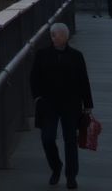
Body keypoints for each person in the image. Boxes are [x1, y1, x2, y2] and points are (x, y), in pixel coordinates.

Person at [30, 22, 93, 189]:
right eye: (56, 36)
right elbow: (34, 78)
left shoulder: (76, 56)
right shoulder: (42, 55)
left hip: (71, 104)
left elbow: (83, 81)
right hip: (49, 103)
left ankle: (71, 176)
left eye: (60, 36)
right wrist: (37, 98)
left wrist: (88, 104)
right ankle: (56, 166)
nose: (58, 39)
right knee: (47, 138)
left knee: (70, 140)